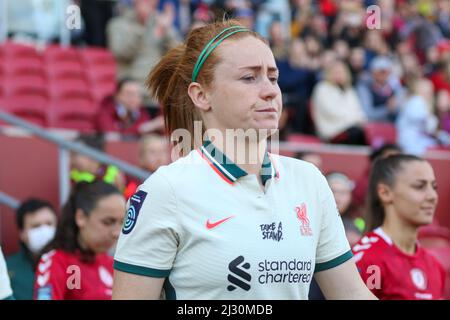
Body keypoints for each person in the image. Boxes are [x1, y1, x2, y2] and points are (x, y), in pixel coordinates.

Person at [112, 20, 377, 300]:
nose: (271, 91)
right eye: (249, 78)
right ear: (201, 95)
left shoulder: (309, 180)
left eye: (273, 77)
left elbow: (352, 294)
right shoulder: (166, 190)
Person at [352, 154, 446, 300]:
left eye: (434, 187)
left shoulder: (435, 266)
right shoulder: (368, 260)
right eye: (419, 186)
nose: (432, 196)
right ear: (385, 193)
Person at [34, 181, 126, 300]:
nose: (116, 232)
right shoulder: (56, 261)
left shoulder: (111, 263)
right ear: (81, 217)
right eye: (108, 222)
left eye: (121, 223)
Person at [6, 199, 57, 300]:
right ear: (22, 234)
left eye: (49, 224)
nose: (44, 230)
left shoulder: (73, 265)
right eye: (36, 226)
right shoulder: (7, 269)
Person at [311, 60, 367, 145]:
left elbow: (358, 110)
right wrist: (355, 120)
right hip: (332, 129)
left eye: (341, 72)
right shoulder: (322, 88)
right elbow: (331, 112)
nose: (339, 74)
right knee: (356, 133)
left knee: (365, 131)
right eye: (336, 72)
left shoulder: (349, 90)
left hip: (351, 126)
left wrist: (361, 120)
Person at [95, 78, 164, 137]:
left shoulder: (142, 112)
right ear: (117, 95)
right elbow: (113, 135)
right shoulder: (105, 110)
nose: (134, 98)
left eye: (137, 94)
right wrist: (144, 128)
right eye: (129, 94)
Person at [124, 133, 171, 199]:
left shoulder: (172, 178)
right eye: (152, 152)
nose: (159, 155)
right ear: (141, 158)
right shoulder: (134, 181)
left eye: (162, 151)